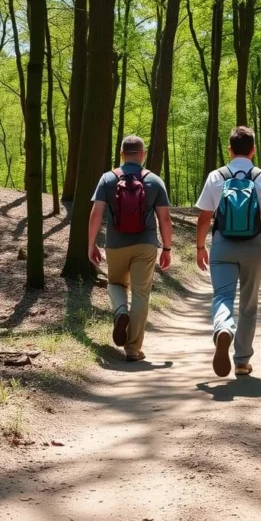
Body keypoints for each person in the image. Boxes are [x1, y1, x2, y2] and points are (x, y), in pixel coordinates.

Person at [195, 126, 261, 378]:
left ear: (229, 149)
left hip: (223, 244)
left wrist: (200, 246)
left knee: (222, 296)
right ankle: (241, 361)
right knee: (249, 304)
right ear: (253, 150)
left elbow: (204, 217)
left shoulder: (217, 176)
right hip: (254, 245)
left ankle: (223, 328)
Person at [88, 135, 173, 362]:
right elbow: (164, 219)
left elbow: (96, 213)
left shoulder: (107, 179)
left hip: (116, 245)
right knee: (140, 293)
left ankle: (120, 312)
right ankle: (133, 348)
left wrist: (91, 244)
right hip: (145, 245)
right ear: (142, 155)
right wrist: (167, 248)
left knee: (116, 283)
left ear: (122, 154)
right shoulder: (155, 181)